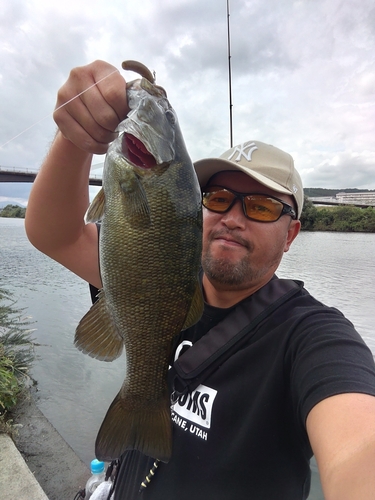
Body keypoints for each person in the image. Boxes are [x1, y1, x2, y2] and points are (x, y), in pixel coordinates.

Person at [25, 60, 375, 500]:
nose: (232, 218)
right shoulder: (161, 269)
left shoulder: (312, 337)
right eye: (219, 198)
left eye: (262, 207)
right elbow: (51, 234)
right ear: (199, 207)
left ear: (290, 234)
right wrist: (76, 138)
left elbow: (358, 444)